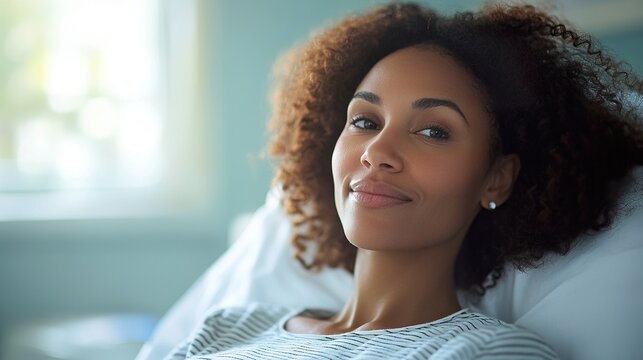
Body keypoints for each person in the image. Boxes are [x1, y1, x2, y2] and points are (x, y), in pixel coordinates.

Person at [165, 2, 642, 359]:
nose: (376, 152)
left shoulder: (486, 354)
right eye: (365, 121)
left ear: (497, 178)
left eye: (433, 131)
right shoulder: (228, 327)